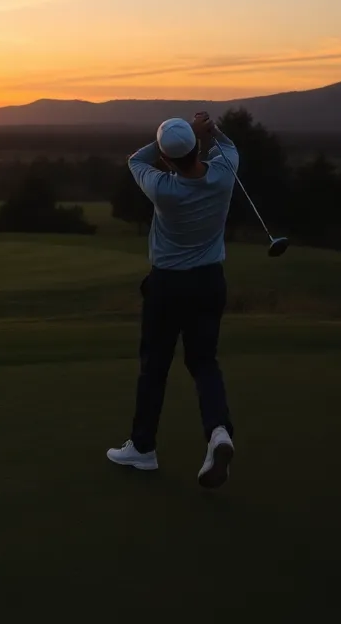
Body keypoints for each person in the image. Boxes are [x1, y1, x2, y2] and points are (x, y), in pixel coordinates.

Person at [106, 112, 239, 489]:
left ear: (165, 159)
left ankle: (143, 448)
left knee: (155, 367)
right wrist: (208, 130)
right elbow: (227, 146)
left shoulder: (162, 187)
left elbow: (136, 159)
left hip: (167, 286)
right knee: (204, 361)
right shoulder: (224, 173)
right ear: (197, 147)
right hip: (209, 282)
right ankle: (218, 432)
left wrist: (180, 140)